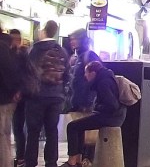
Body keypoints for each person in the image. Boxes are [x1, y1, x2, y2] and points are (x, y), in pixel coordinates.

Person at [60, 61, 126, 167]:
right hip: (115, 116)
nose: (85, 76)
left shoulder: (103, 82)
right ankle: (78, 160)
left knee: (72, 126)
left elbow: (112, 105)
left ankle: (72, 160)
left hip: (111, 117)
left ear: (93, 72)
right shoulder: (107, 77)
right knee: (79, 126)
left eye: (86, 73)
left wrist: (97, 108)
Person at [24, 20, 68, 167]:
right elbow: (68, 74)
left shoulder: (34, 50)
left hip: (36, 97)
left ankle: (30, 162)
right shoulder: (62, 51)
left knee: (33, 131)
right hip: (56, 97)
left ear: (44, 31)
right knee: (52, 130)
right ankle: (51, 162)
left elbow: (27, 73)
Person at [1, 28, 29, 167]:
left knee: (17, 128)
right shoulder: (8, 52)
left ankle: (20, 156)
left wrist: (19, 91)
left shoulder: (23, 54)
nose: (16, 42)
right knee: (9, 130)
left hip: (18, 97)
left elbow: (27, 75)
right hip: (11, 96)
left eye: (18, 39)